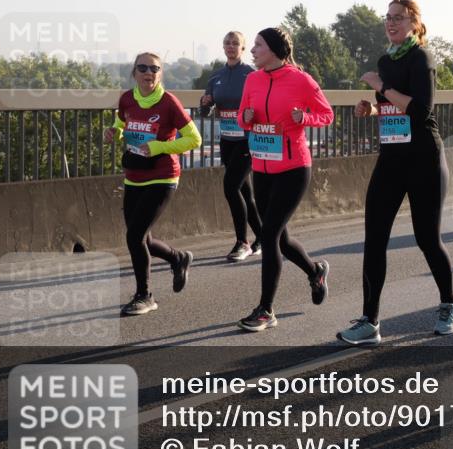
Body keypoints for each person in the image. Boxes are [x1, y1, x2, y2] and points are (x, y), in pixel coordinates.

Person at [337, 0, 453, 347]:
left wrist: (381, 88)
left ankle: (450, 304)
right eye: (388, 17)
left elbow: (421, 110)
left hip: (424, 158)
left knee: (427, 239)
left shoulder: (421, 57)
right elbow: (392, 107)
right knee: (374, 239)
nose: (391, 23)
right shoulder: (384, 61)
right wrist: (372, 109)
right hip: (391, 160)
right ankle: (370, 321)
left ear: (414, 23)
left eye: (399, 18)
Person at [236, 28, 334, 331]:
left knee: (268, 235)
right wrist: (248, 118)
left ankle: (265, 310)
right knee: (280, 237)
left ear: (275, 49)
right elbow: (241, 118)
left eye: (258, 45)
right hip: (262, 169)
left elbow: (326, 114)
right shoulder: (252, 79)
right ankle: (315, 270)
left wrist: (303, 118)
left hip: (293, 169)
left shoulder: (300, 80)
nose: (252, 51)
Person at [105, 53, 202, 315]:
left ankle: (144, 295)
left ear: (160, 74)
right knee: (142, 237)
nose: (149, 72)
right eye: (143, 67)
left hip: (163, 176)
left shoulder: (169, 102)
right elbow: (122, 121)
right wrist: (116, 131)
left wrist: (159, 146)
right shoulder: (127, 98)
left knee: (134, 236)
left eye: (155, 68)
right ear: (134, 73)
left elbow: (194, 139)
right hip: (134, 175)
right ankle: (177, 258)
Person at [199, 31, 263, 262]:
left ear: (243, 48)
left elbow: (262, 106)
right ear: (223, 46)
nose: (231, 46)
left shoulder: (251, 75)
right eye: (227, 42)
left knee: (230, 187)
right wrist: (205, 105)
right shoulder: (216, 76)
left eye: (236, 43)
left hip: (247, 140)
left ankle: (242, 242)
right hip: (227, 140)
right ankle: (264, 235)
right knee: (244, 191)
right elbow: (205, 111)